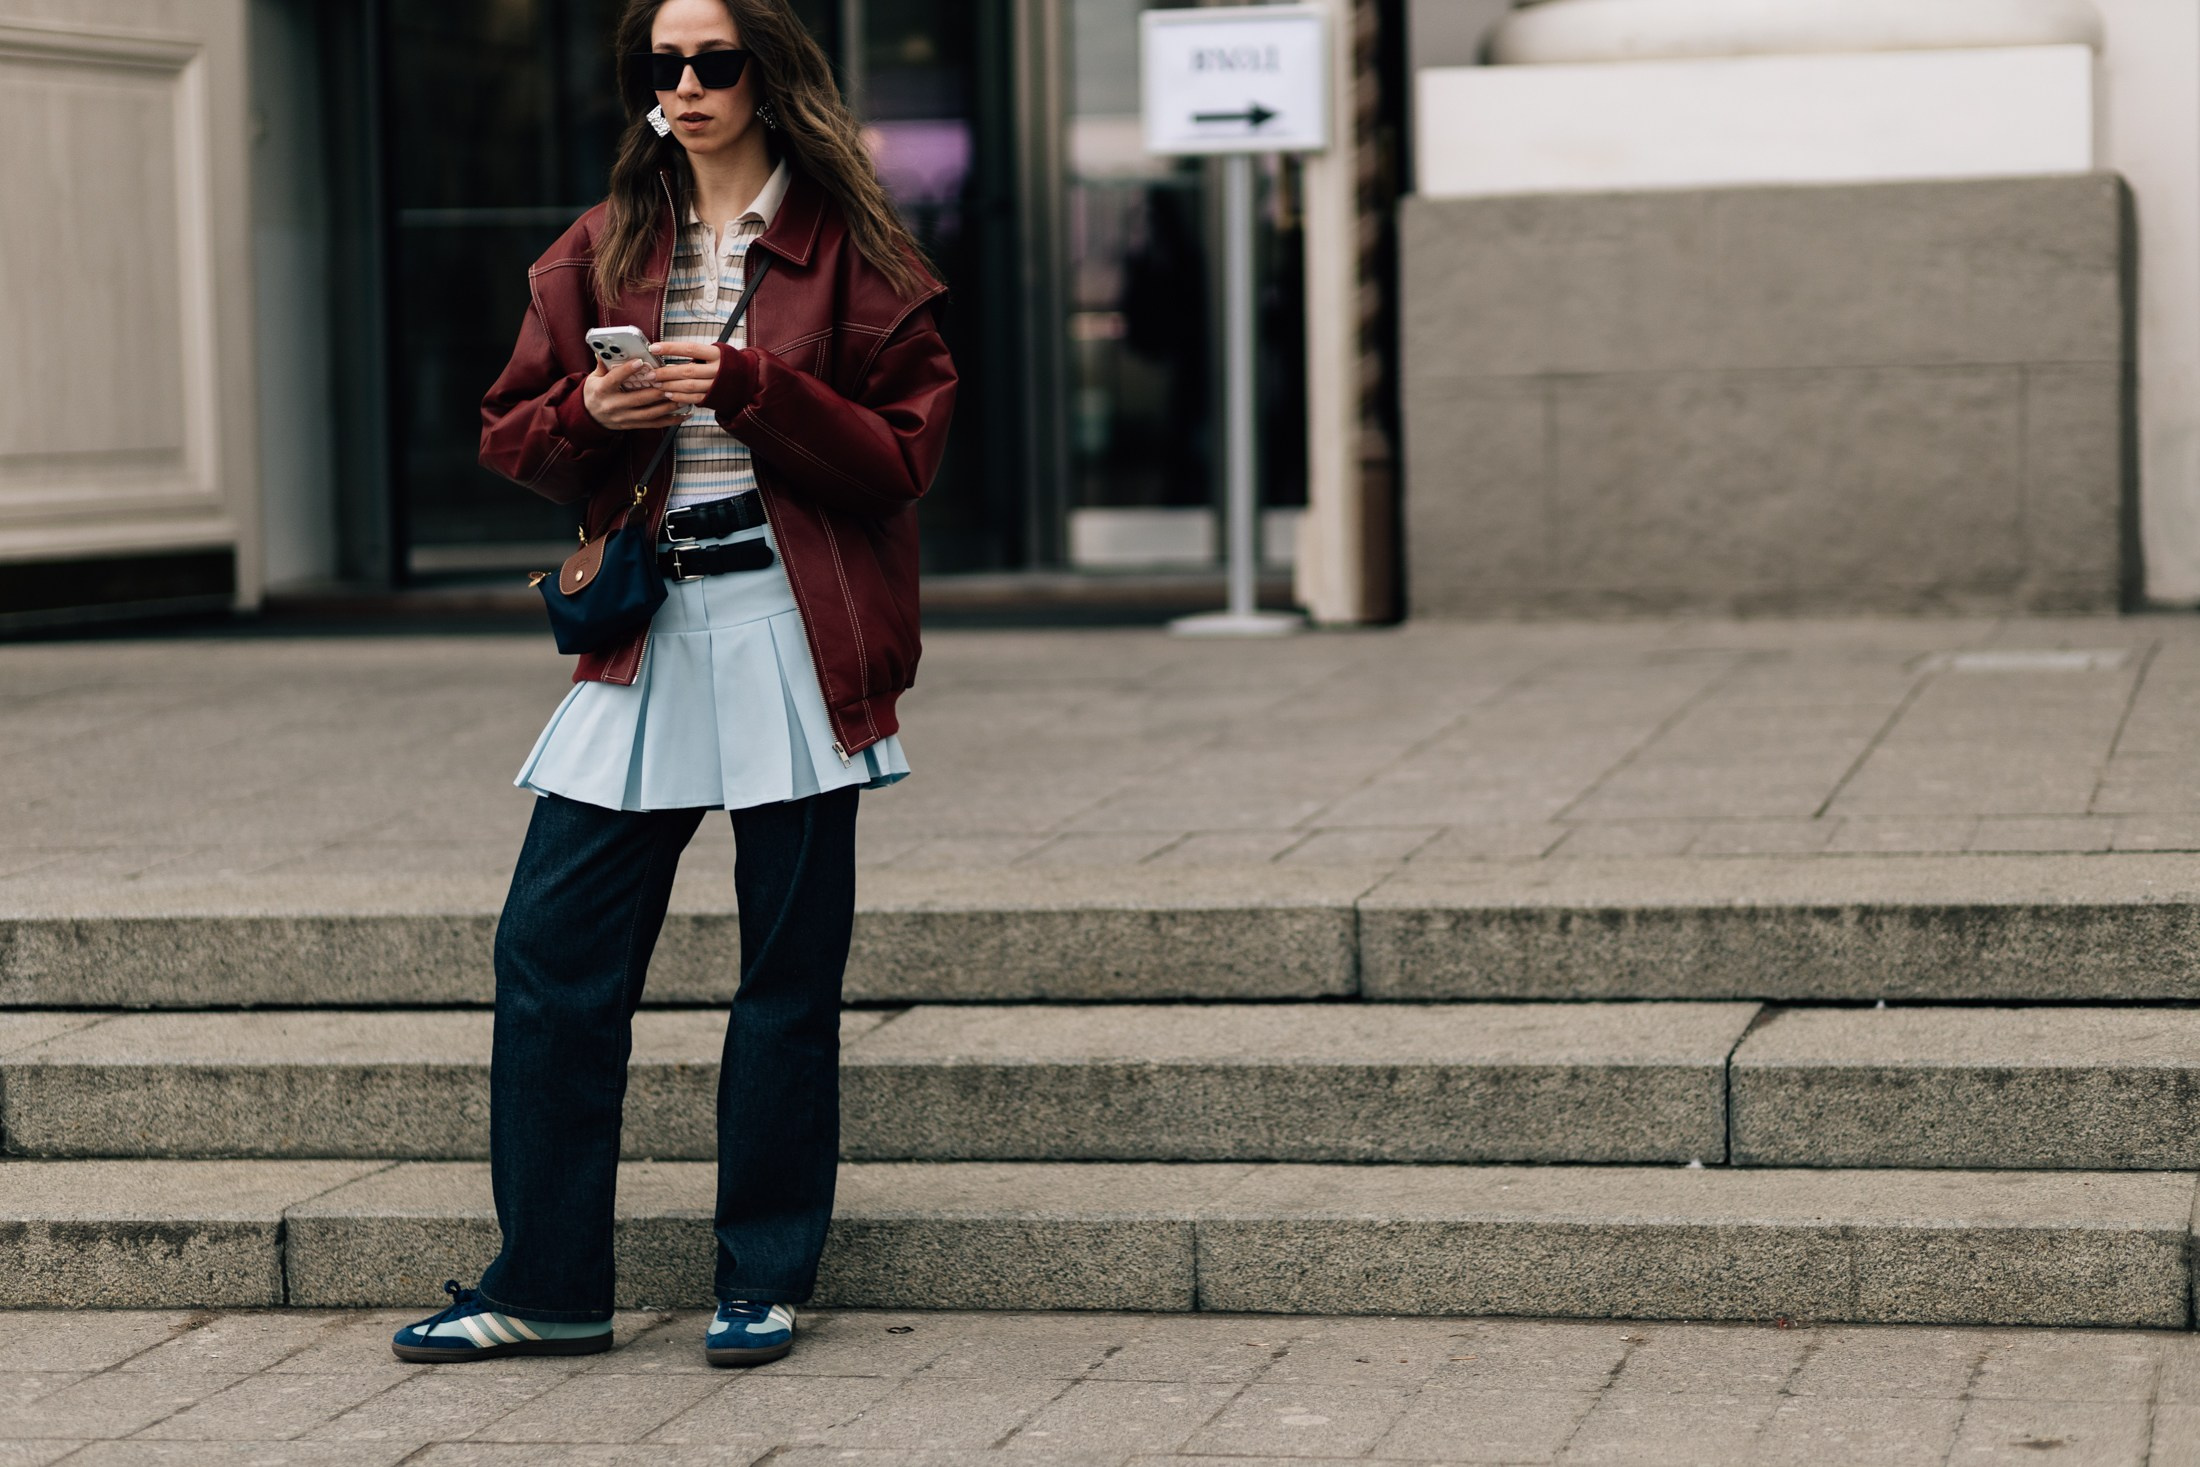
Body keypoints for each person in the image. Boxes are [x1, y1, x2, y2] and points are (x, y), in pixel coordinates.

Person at [390, 0, 954, 1368]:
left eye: (715, 60)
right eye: (663, 63)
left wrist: (754, 389)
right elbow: (508, 433)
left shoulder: (854, 251)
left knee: (784, 978)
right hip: (646, 632)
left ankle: (762, 1275)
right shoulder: (603, 247)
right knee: (550, 956)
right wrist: (590, 414)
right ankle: (551, 1282)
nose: (687, 84)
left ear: (771, 73)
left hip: (796, 632)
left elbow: (900, 461)